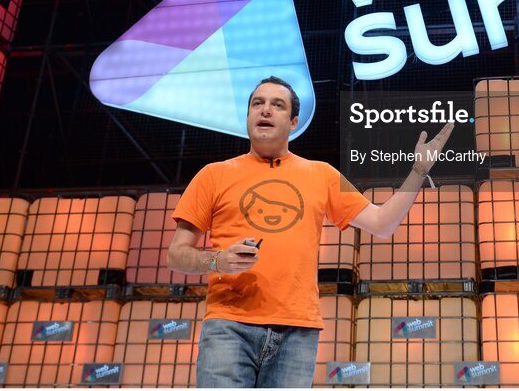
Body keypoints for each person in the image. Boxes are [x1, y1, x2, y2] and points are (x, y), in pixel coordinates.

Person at [167, 76, 454, 388]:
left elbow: (382, 223)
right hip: (229, 324)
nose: (265, 111)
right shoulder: (213, 175)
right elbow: (176, 255)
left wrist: (417, 172)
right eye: (257, 104)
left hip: (297, 330)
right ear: (247, 116)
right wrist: (216, 261)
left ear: (293, 123)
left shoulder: (323, 174)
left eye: (277, 105)